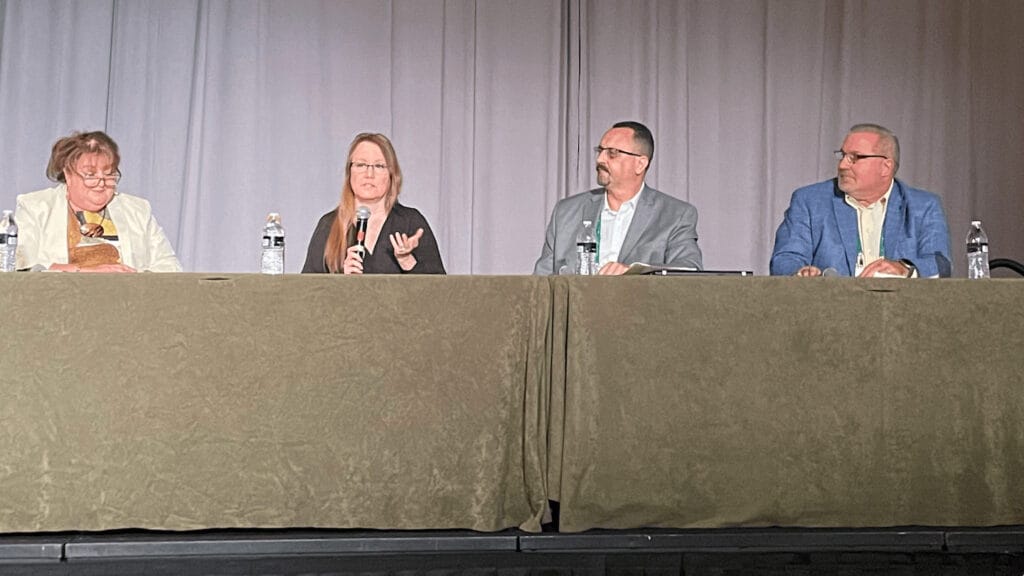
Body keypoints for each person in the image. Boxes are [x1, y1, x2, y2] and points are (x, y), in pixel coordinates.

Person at [770, 123, 951, 278]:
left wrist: (906, 268)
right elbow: (785, 258)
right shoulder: (810, 201)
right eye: (842, 156)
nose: (842, 165)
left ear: (885, 167)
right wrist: (800, 273)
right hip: (831, 311)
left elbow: (940, 263)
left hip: (898, 312)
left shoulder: (923, 206)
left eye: (855, 157)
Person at [533, 121, 702, 275]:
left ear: (640, 164)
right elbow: (541, 283)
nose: (600, 159)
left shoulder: (675, 215)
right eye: (600, 151)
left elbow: (689, 268)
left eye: (612, 154)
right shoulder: (566, 212)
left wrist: (634, 272)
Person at [15, 130, 182, 273]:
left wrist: (132, 279)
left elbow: (170, 267)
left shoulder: (138, 210)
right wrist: (87, 274)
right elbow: (23, 267)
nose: (101, 183)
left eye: (109, 174)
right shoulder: (35, 207)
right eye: (90, 175)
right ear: (68, 174)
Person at [302, 133, 445, 274]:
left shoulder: (410, 222)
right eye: (361, 164)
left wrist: (408, 262)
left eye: (379, 166)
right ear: (349, 172)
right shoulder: (329, 225)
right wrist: (341, 283)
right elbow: (308, 292)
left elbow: (440, 292)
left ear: (392, 175)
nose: (369, 174)